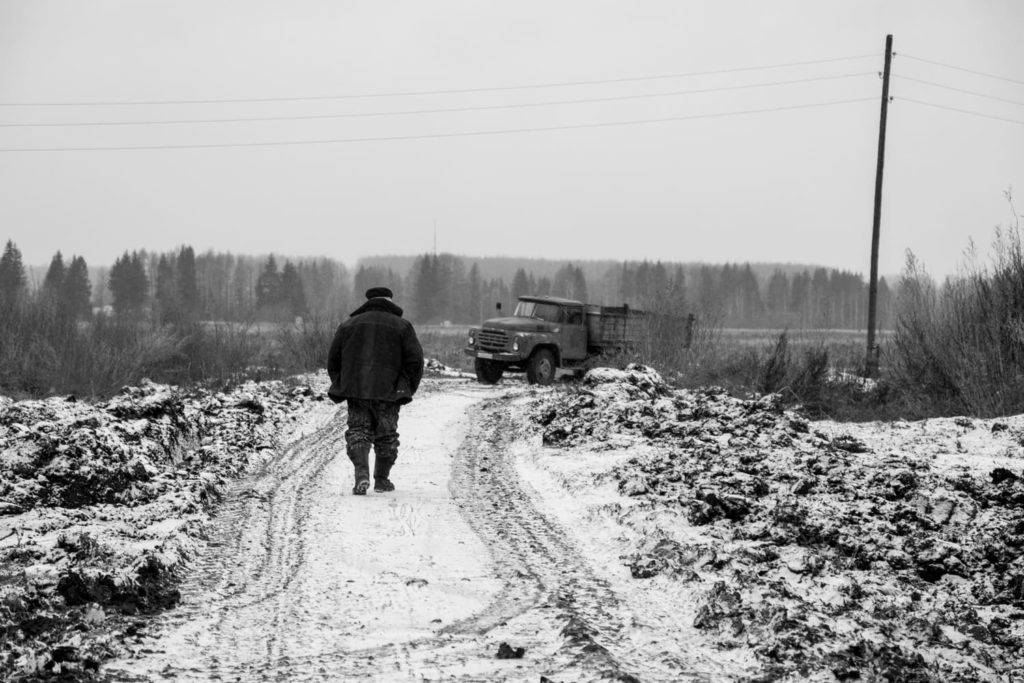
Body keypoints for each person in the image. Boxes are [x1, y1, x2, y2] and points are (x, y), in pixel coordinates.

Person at [327, 286, 424, 495]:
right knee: (386, 435)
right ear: (390, 300)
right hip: (389, 392)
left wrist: (342, 383)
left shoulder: (348, 325)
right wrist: (405, 388)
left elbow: (333, 359)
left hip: (356, 391)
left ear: (368, 300)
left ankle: (361, 475)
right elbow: (415, 361)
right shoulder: (403, 326)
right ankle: (382, 480)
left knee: (358, 432)